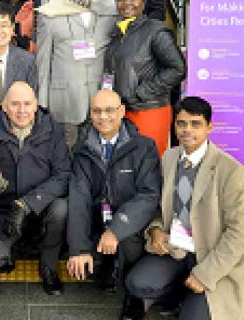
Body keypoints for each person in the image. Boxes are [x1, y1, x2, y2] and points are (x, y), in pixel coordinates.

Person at [125, 97, 244, 320]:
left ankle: (192, 294)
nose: (187, 130)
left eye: (195, 124)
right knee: (137, 284)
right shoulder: (169, 157)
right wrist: (155, 230)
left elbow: (238, 232)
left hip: (209, 256)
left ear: (209, 127)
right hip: (174, 249)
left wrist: (205, 275)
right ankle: (180, 290)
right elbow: (158, 206)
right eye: (181, 123)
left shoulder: (231, 171)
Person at [0, 82, 70, 295]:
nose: (22, 111)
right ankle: (9, 250)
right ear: (4, 106)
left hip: (40, 207)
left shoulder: (54, 130)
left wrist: (28, 204)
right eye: (15, 104)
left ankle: (48, 266)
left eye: (27, 104)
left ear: (36, 105)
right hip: (2, 211)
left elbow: (63, 176)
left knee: (61, 209)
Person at [67, 90, 162, 318]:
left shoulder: (144, 147)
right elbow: (79, 196)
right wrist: (78, 249)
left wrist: (116, 230)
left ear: (121, 112)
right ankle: (106, 264)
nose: (103, 117)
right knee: (88, 262)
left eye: (110, 110)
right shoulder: (81, 149)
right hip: (97, 220)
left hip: (128, 225)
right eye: (97, 111)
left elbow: (148, 196)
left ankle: (134, 296)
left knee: (129, 240)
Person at [36, 0, 117, 148]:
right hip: (64, 102)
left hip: (103, 100)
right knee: (67, 160)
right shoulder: (50, 12)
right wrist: (42, 102)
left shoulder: (112, 8)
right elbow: (43, 59)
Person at [104, 0, 185, 156]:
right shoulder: (117, 33)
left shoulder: (155, 30)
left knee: (150, 164)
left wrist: (142, 92)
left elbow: (178, 68)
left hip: (149, 110)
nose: (127, 4)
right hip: (122, 112)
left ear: (143, 2)